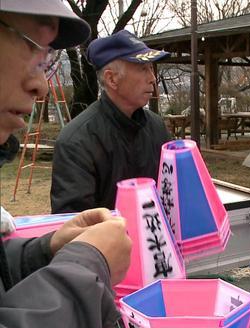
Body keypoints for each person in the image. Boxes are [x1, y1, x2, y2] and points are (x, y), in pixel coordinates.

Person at [0, 1, 132, 328]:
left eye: (49, 62)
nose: (42, 85)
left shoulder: (155, 128)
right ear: (111, 78)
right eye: (34, 51)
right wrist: (85, 264)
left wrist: (46, 252)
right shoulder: (78, 136)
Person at [50, 29, 171, 213]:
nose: (152, 78)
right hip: (104, 241)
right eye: (143, 69)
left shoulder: (156, 127)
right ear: (112, 78)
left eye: (151, 68)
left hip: (158, 240)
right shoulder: (77, 141)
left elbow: (173, 193)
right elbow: (74, 225)